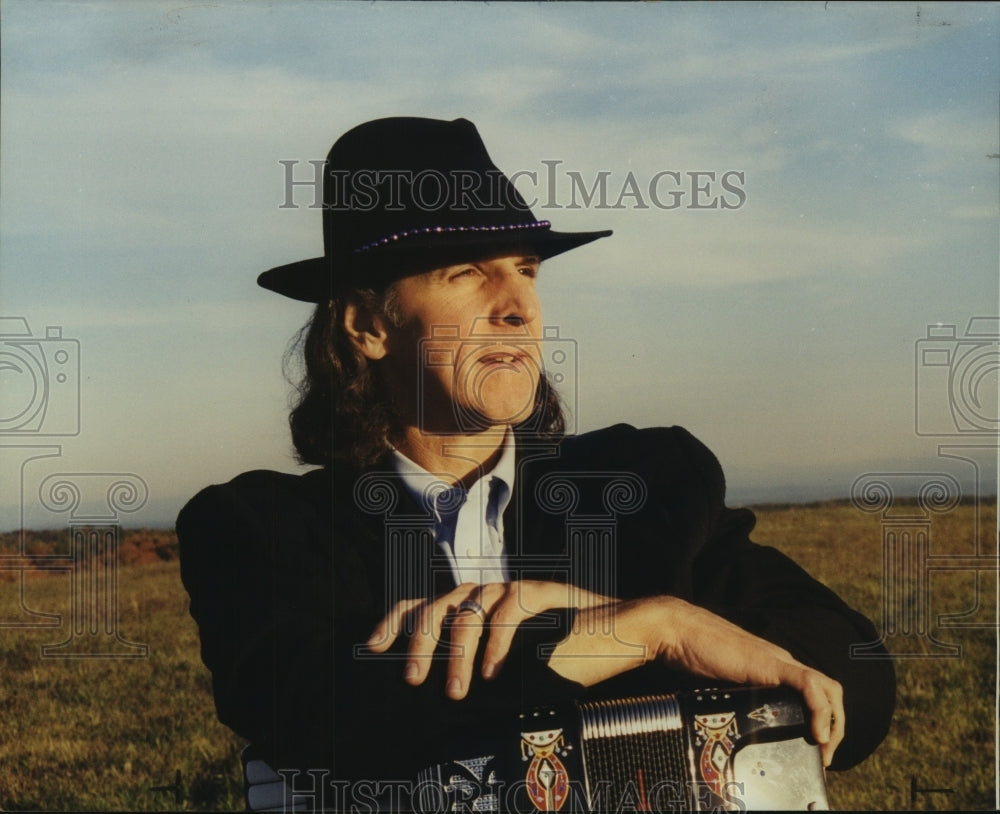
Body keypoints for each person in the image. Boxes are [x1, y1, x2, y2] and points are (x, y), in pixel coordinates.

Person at [177, 117, 895, 811]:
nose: (519, 305)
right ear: (367, 325)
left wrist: (620, 613)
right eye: (466, 273)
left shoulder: (643, 487)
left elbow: (855, 677)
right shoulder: (261, 529)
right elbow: (328, 718)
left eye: (526, 269)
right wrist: (643, 631)